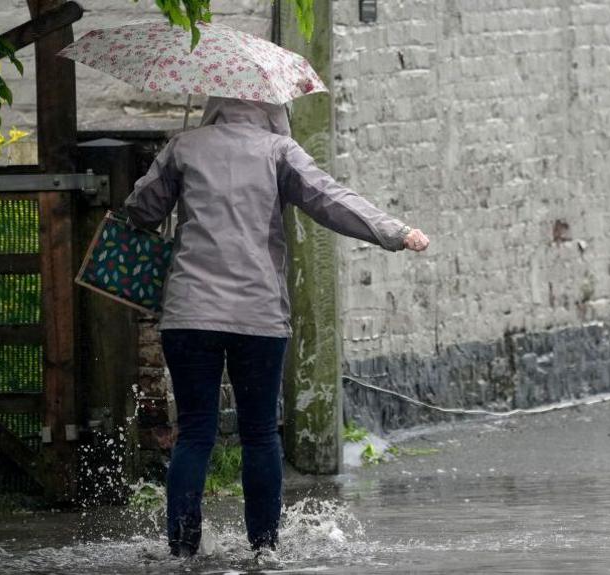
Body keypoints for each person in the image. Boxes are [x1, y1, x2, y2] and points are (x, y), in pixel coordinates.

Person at [123, 96, 429, 557]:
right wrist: (394, 232)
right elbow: (330, 199)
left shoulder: (183, 146)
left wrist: (171, 165)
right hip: (258, 315)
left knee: (194, 432)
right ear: (271, 107)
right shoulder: (278, 151)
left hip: (188, 313)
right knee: (261, 433)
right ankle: (264, 548)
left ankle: (181, 550)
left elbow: (140, 211)